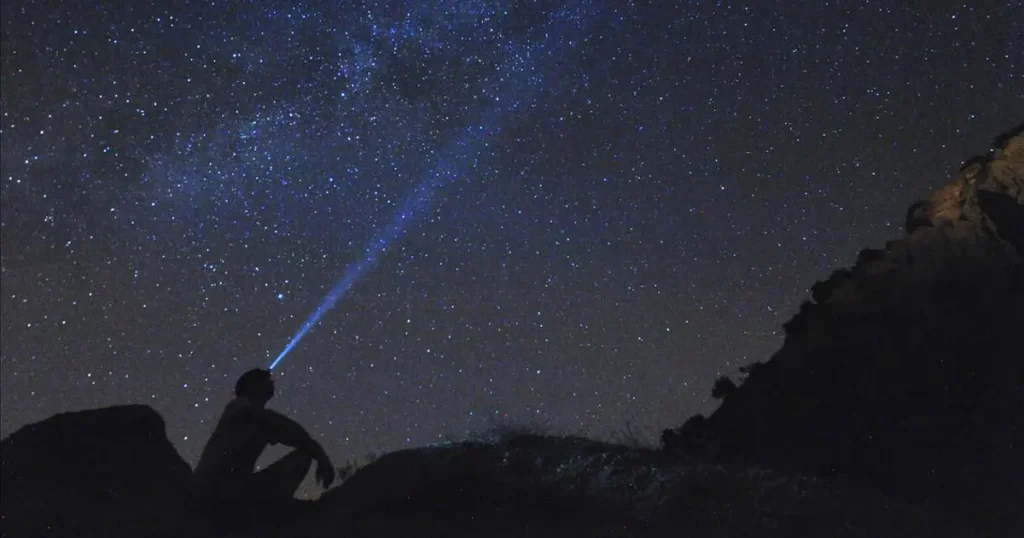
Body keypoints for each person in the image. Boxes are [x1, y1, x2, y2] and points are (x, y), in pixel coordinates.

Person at [193, 368, 336, 504]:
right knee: (303, 456)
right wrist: (320, 455)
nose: (272, 382)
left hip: (229, 489)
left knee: (303, 455)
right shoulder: (239, 407)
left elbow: (285, 429)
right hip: (217, 491)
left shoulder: (246, 413)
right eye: (265, 380)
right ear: (251, 385)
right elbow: (282, 426)